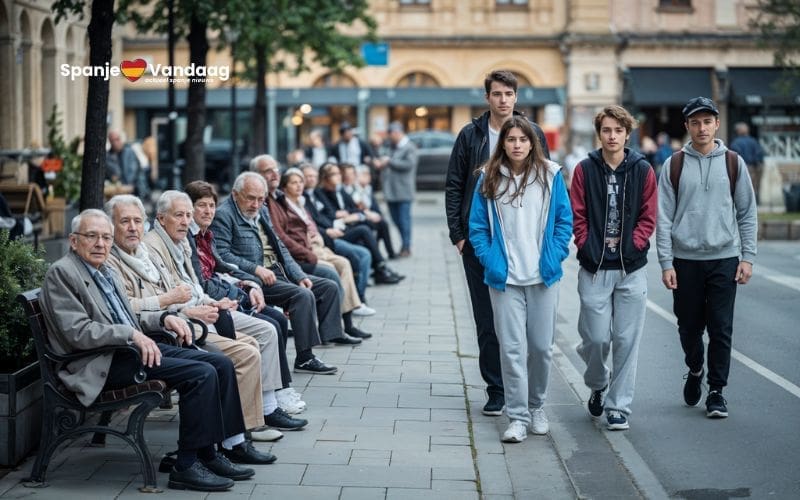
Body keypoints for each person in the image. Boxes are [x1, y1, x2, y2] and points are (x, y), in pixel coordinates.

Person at [41, 209, 259, 492]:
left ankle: (209, 454)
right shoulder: (62, 273)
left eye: (106, 238)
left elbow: (129, 317)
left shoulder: (103, 269)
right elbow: (78, 333)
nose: (100, 244)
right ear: (73, 241)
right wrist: (131, 334)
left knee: (219, 362)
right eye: (91, 236)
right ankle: (186, 466)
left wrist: (164, 317)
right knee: (202, 373)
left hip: (128, 351)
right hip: (100, 362)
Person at [127, 192, 308, 434]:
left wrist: (225, 296)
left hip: (192, 315)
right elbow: (168, 296)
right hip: (174, 328)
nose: (187, 220)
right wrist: (201, 304)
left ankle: (262, 412)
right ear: (160, 218)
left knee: (265, 330)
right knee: (245, 349)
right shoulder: (154, 246)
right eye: (181, 214)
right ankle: (242, 429)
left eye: (188, 214)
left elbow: (198, 283)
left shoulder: (181, 241)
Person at [445, 69, 550, 416]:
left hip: (523, 244)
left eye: (509, 93)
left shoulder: (531, 133)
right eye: (496, 94)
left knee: (525, 326)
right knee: (487, 319)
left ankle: (526, 394)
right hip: (478, 243)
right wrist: (459, 236)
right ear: (487, 97)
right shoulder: (470, 135)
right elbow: (454, 185)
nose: (503, 99)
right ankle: (496, 389)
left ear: (516, 98)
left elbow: (547, 185)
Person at [468, 116, 572, 442]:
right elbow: (478, 228)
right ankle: (517, 417)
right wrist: (492, 262)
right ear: (503, 143)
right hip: (505, 279)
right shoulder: (488, 178)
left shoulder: (551, 175)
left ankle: (536, 406)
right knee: (511, 350)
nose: (516, 144)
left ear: (532, 143)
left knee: (541, 348)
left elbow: (563, 223)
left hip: (542, 276)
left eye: (522, 139)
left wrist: (553, 257)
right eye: (510, 139)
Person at [657, 96, 757, 419]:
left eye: (707, 121)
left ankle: (716, 391)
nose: (702, 128)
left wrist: (748, 257)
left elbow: (747, 213)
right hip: (685, 262)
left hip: (724, 258)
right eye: (695, 122)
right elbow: (663, 218)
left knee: (721, 328)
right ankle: (695, 368)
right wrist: (666, 262)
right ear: (687, 126)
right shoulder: (673, 164)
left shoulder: (733, 162)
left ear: (717, 124)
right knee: (688, 327)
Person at [183, 181, 306, 416]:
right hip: (209, 306)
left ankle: (277, 391)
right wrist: (241, 291)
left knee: (277, 319)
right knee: (272, 323)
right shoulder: (191, 237)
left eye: (211, 205)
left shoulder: (204, 235)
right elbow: (203, 282)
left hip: (227, 294)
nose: (209, 211)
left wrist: (249, 283)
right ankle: (270, 403)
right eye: (201, 206)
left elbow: (222, 264)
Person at [569, 106, 657, 431]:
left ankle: (618, 406)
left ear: (626, 134)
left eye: (618, 130)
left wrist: (634, 245)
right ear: (599, 133)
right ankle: (598, 380)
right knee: (595, 338)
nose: (612, 136)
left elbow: (649, 216)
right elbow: (578, 213)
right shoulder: (584, 169)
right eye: (606, 130)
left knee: (626, 339)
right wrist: (586, 244)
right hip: (594, 267)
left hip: (630, 268)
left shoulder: (642, 169)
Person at [211, 172, 339, 375]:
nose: (256, 204)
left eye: (261, 199)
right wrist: (255, 269)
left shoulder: (261, 210)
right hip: (254, 279)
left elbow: (279, 245)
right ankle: (305, 357)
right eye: (250, 198)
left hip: (276, 270)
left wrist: (298, 275)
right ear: (235, 194)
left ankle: (329, 338)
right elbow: (222, 256)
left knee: (327, 286)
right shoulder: (224, 215)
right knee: (302, 295)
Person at [268, 168, 375, 334]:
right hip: (305, 251)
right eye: (294, 183)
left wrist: (318, 236)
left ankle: (347, 323)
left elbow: (312, 224)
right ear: (285, 187)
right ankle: (336, 326)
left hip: (317, 245)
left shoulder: (301, 202)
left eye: (300, 182)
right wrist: (307, 248)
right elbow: (284, 236)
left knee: (345, 262)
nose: (299, 186)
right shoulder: (283, 203)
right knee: (332, 270)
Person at [302, 164, 378, 303]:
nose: (311, 179)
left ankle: (359, 298)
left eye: (313, 176)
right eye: (307, 176)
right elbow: (322, 218)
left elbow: (348, 211)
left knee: (365, 248)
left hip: (333, 232)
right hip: (325, 238)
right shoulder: (307, 196)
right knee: (358, 253)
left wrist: (342, 219)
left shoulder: (316, 194)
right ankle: (356, 299)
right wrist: (330, 228)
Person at [318, 162, 400, 262]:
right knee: (364, 229)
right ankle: (380, 265)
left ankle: (382, 261)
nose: (339, 176)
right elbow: (332, 214)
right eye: (334, 174)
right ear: (324, 177)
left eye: (339, 173)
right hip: (338, 228)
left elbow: (353, 207)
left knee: (380, 223)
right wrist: (347, 215)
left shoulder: (338, 190)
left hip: (349, 222)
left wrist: (352, 213)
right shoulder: (321, 192)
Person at [377, 121, 418, 257]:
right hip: (390, 191)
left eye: (391, 135)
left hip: (404, 191)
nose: (390, 137)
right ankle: (404, 244)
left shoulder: (409, 147)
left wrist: (389, 161)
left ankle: (406, 247)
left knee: (404, 220)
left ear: (397, 133)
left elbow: (409, 164)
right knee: (395, 220)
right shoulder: (391, 146)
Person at [728, 122, 764, 202]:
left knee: (741, 187)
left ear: (738, 131)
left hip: (741, 167)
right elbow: (759, 154)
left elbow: (733, 157)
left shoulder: (735, 142)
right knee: (753, 187)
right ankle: (754, 202)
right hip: (754, 167)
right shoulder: (753, 141)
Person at [107, 130, 146, 196]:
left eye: (117, 139)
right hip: (118, 192)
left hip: (135, 191)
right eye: (113, 141)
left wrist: (135, 187)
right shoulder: (108, 157)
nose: (115, 143)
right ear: (110, 142)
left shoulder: (130, 152)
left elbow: (138, 171)